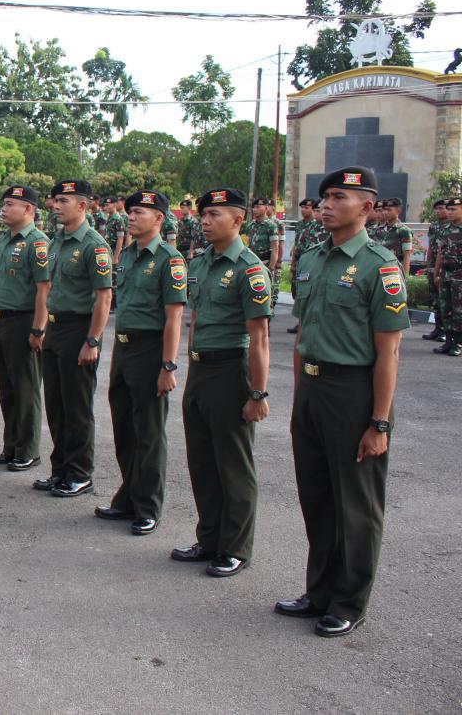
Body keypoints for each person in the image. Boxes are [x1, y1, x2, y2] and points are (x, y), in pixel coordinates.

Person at [277, 165, 409, 637]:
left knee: (355, 505)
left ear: (367, 207)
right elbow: (303, 336)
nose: (326, 205)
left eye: (338, 197)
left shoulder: (380, 266)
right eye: (324, 197)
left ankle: (349, 601)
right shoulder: (313, 259)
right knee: (317, 497)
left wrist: (379, 422)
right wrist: (300, 400)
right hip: (313, 390)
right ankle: (319, 591)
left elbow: (388, 352)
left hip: (353, 392)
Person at [172, 187, 270, 578]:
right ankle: (209, 538)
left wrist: (257, 393)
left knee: (233, 464)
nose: (205, 221)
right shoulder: (200, 263)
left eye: (215, 214)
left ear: (238, 219)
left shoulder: (249, 268)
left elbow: (259, 337)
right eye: (203, 215)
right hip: (201, 370)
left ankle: (235, 547)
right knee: (203, 461)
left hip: (231, 370)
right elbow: (195, 320)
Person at [96, 191, 186, 536]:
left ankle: (148, 506)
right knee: (124, 427)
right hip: (124, 348)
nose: (131, 217)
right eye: (130, 211)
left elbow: (174, 318)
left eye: (139, 212)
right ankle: (128, 497)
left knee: (149, 433)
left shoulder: (169, 259)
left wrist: (168, 366)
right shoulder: (129, 255)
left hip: (150, 350)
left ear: (159, 219)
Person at [32, 179, 113, 498]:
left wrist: (92, 341)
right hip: (55, 328)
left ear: (83, 205)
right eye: (55, 200)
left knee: (77, 407)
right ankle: (60, 470)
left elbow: (104, 298)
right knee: (56, 405)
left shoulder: (94, 245)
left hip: (79, 329)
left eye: (63, 201)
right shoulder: (58, 241)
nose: (56, 205)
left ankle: (80, 473)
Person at [0, 185, 52, 471]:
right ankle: (11, 445)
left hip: (24, 320)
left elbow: (44, 289)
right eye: (4, 204)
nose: (4, 209)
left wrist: (38, 329)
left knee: (26, 389)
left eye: (10, 204)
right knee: (7, 388)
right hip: (3, 320)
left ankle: (28, 450)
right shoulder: (4, 239)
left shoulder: (37, 243)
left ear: (28, 209)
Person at [287, 198, 329, 334]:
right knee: (301, 293)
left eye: (318, 210)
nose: (316, 213)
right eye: (315, 211)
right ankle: (302, 322)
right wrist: (294, 264)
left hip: (322, 266)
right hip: (305, 265)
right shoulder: (308, 227)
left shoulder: (329, 228)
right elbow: (299, 247)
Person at [433, 197, 462, 356]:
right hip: (446, 274)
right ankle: (448, 342)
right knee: (446, 308)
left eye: (453, 209)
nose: (449, 212)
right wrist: (436, 272)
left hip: (460, 275)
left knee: (459, 311)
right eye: (448, 209)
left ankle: (458, 343)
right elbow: (440, 253)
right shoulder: (445, 229)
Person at [245, 198, 283, 321]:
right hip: (252, 265)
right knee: (251, 294)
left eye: (258, 207)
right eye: (254, 207)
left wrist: (271, 267)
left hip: (266, 264)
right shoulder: (250, 226)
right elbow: (248, 245)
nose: (255, 209)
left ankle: (266, 323)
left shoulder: (271, 226)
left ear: (266, 208)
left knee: (265, 296)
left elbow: (275, 248)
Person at [424, 198, 449, 342]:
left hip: (447, 268)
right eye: (437, 209)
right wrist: (428, 266)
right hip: (434, 266)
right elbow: (431, 247)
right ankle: (438, 328)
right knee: (435, 299)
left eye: (442, 208)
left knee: (446, 301)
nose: (438, 211)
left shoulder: (451, 226)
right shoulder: (434, 226)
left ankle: (447, 331)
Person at [377, 197, 412, 275]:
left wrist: (405, 277)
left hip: (394, 272)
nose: (386, 212)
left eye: (389, 210)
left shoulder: (403, 231)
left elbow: (407, 256)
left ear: (399, 211)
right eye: (385, 209)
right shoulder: (379, 230)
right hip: (379, 271)